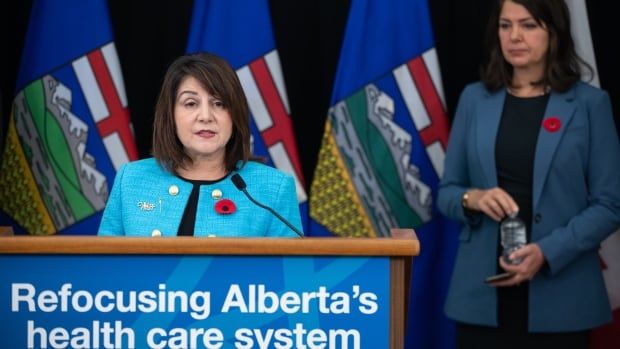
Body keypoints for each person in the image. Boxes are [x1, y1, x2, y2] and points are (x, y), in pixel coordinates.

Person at [437, 0, 620, 347]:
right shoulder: (475, 99)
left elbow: (611, 204)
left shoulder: (590, 104)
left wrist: (547, 252)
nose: (514, 36)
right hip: (481, 297)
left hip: (562, 298)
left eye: (529, 25)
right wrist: (471, 198)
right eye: (506, 26)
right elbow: (447, 193)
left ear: (555, 33)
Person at [98, 52, 303, 237]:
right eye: (191, 103)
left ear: (235, 115)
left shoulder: (273, 188)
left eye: (219, 104)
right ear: (171, 115)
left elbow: (289, 276)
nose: (205, 116)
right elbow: (103, 270)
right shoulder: (131, 180)